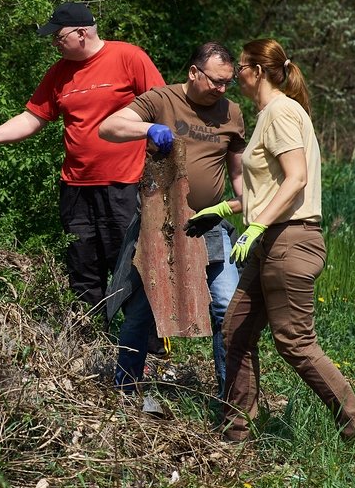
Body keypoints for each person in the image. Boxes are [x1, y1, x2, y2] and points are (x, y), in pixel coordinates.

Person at [194, 38, 355, 445]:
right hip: (269, 240)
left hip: (290, 241)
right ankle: (235, 433)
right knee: (236, 332)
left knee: (295, 341)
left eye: (241, 67)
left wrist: (257, 226)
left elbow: (296, 177)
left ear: (257, 72)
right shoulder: (268, 114)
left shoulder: (282, 112)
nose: (236, 75)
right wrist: (224, 209)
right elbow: (271, 188)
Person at [0, 2, 165, 313]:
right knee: (82, 269)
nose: (54, 44)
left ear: (81, 33)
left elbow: (161, 106)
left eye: (58, 37)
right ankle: (91, 346)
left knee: (129, 268)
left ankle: (147, 354)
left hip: (125, 184)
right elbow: (32, 118)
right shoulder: (58, 73)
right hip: (76, 187)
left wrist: (159, 141)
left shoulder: (128, 57)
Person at [99, 42, 246, 396]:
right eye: (215, 81)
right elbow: (109, 127)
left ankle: (231, 405)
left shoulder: (233, 113)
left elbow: (238, 174)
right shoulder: (161, 100)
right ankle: (126, 391)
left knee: (228, 309)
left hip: (210, 224)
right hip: (160, 224)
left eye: (228, 83)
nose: (221, 89)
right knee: (142, 309)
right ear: (194, 72)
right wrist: (147, 130)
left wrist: (248, 208)